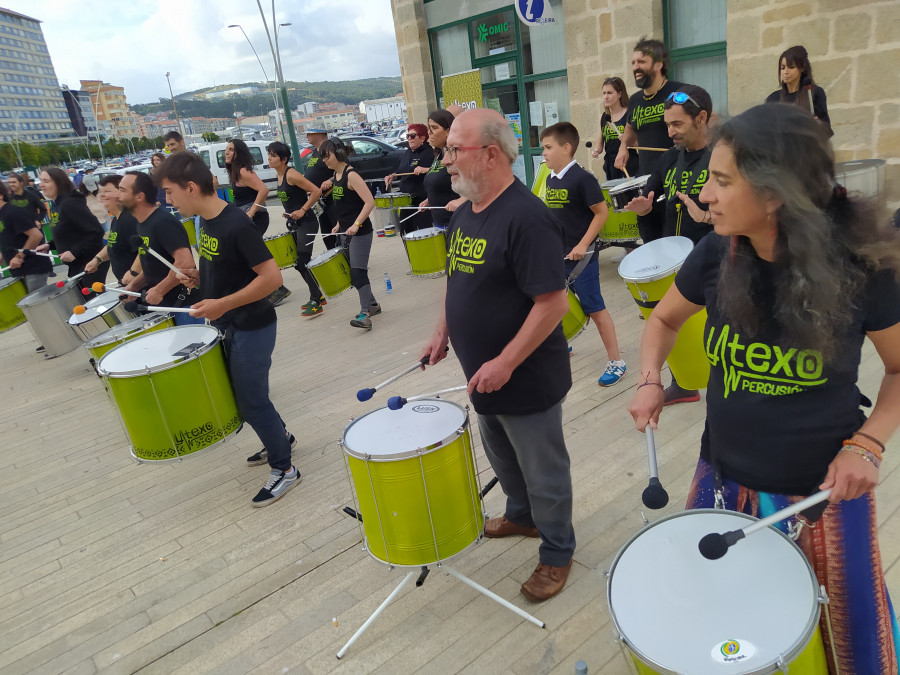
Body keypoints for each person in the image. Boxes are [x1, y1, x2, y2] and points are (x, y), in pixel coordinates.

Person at [628, 104, 900, 675]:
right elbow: (661, 321)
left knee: (847, 642)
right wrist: (651, 380)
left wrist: (868, 444)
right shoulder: (714, 254)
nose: (707, 192)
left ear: (774, 193)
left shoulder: (861, 270)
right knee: (709, 618)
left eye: (723, 181)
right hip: (722, 478)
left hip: (823, 495)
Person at [419, 108, 575, 602]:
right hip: (481, 374)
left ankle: (556, 551)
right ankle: (522, 517)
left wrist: (506, 362)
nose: (445, 160)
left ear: (489, 154)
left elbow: (553, 304)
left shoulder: (528, 219)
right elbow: (457, 280)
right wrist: (442, 330)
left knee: (543, 471)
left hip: (525, 378)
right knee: (502, 458)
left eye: (453, 150)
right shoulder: (465, 212)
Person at [156, 152, 300, 508]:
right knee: (249, 398)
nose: (168, 201)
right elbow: (224, 270)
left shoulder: (235, 223)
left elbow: (272, 278)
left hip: (253, 326)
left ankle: (285, 469)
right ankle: (280, 436)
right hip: (230, 324)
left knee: (250, 402)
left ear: (190, 187)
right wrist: (199, 279)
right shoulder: (205, 223)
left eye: (170, 192)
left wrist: (223, 304)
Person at [623, 84, 716, 405]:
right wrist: (645, 209)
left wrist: (707, 217)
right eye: (667, 125)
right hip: (676, 262)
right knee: (674, 321)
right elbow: (650, 190)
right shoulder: (670, 158)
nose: (670, 132)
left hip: (715, 260)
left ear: (701, 118)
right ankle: (685, 382)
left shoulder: (721, 158)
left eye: (677, 124)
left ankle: (723, 387)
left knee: (718, 325)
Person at [541, 121, 626, 386]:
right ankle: (562, 343)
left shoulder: (583, 179)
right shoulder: (550, 178)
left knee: (595, 308)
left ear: (566, 148)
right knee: (555, 304)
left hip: (583, 258)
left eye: (548, 147)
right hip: (557, 255)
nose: (543, 153)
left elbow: (602, 214)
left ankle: (617, 361)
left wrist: (582, 245)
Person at [614, 37, 687, 242]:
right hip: (648, 182)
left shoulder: (679, 93)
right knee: (650, 239)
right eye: (633, 63)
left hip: (677, 180)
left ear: (659, 64)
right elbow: (629, 131)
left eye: (642, 62)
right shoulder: (636, 100)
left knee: (675, 241)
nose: (636, 67)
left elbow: (707, 120)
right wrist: (623, 148)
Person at [120, 171, 198, 325]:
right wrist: (134, 286)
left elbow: (185, 263)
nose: (118, 196)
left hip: (183, 307)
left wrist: (159, 290)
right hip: (165, 307)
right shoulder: (143, 224)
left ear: (139, 197)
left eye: (122, 191)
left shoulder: (162, 222)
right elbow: (154, 265)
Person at [319, 138, 381, 331]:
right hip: (346, 231)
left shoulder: (351, 175)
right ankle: (373, 304)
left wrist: (356, 224)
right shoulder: (336, 176)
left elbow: (369, 202)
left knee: (358, 272)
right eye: (322, 157)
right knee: (353, 273)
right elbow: (346, 204)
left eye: (327, 156)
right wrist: (339, 224)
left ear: (339, 154)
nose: (324, 160)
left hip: (360, 232)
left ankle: (365, 314)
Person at [225, 138, 291, 306]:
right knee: (248, 256)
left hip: (257, 218)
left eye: (231, 149)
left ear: (238, 153)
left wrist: (251, 212)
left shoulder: (243, 171)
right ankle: (272, 290)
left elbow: (264, 190)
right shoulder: (235, 171)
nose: (227, 152)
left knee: (252, 256)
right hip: (246, 219)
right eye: (227, 149)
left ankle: (275, 289)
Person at [267, 140, 325, 317]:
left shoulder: (291, 174)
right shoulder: (279, 175)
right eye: (269, 154)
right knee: (298, 263)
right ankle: (317, 296)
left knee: (302, 262)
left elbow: (316, 191)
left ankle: (317, 300)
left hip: (307, 221)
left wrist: (303, 209)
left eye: (273, 155)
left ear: (284, 159)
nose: (269, 158)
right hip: (295, 223)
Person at [37, 167, 108, 289]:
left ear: (59, 183)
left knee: (92, 303)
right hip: (76, 263)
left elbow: (96, 231)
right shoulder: (57, 205)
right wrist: (50, 245)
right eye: (41, 181)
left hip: (90, 261)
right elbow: (68, 232)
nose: (41, 185)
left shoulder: (70, 203)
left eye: (46, 181)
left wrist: (75, 252)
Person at [84, 175, 140, 284]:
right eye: (101, 191)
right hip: (128, 286)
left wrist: (134, 273)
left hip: (140, 287)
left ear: (123, 192)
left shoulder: (130, 219)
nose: (102, 195)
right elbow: (113, 243)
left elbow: (147, 250)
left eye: (107, 191)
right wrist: (97, 259)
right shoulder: (116, 219)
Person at [765, 45, 832, 135]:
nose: (786, 72)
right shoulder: (773, 99)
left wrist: (818, 125)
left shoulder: (814, 93)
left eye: (791, 67)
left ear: (802, 68)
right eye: (783, 67)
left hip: (807, 147)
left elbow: (827, 131)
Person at [0, 180, 52, 292]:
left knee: (38, 305)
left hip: (33, 266)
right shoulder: (2, 214)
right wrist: (3, 255)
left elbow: (36, 235)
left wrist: (19, 256)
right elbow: (10, 239)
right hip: (20, 269)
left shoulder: (12, 212)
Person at [419, 109, 465, 231]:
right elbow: (443, 183)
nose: (429, 133)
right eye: (428, 128)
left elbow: (480, 183)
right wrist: (430, 200)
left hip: (458, 224)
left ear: (448, 131)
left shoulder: (458, 154)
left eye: (434, 128)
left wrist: (463, 199)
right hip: (440, 224)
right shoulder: (439, 155)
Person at [384, 123, 431, 233]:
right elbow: (401, 171)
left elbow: (438, 171)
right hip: (406, 201)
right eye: (408, 136)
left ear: (422, 138)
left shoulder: (429, 153)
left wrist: (426, 169)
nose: (409, 139)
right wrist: (393, 176)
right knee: (405, 232)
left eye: (413, 136)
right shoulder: (407, 153)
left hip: (421, 201)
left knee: (423, 232)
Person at [591, 77, 639, 181]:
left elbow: (640, 144)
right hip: (610, 167)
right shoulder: (603, 117)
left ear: (620, 94)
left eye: (609, 93)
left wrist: (627, 140)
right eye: (604, 93)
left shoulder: (629, 114)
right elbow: (600, 144)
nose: (605, 97)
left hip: (628, 164)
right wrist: (596, 151)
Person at [303, 127, 338, 251]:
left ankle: (347, 257)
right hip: (320, 201)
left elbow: (344, 168)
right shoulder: (315, 151)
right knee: (326, 233)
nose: (306, 136)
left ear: (318, 134)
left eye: (309, 133)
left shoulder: (330, 148)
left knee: (337, 230)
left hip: (332, 198)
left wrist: (331, 180)